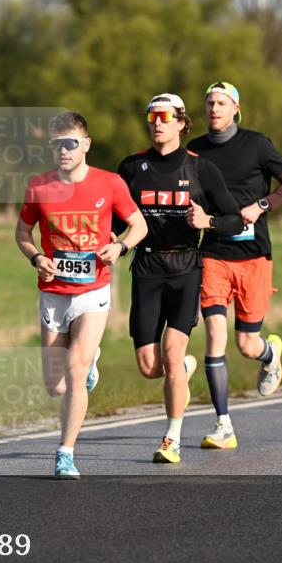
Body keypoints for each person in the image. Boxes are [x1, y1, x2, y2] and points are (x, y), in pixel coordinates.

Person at [16, 111, 147, 479]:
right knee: (54, 385)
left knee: (74, 372)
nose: (63, 150)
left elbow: (139, 224)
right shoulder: (38, 187)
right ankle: (89, 363)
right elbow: (22, 234)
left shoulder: (110, 184)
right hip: (53, 293)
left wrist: (120, 248)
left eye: (70, 143)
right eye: (56, 144)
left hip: (93, 291)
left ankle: (65, 453)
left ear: (86, 144)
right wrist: (37, 257)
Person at [114, 94, 243, 464]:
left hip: (186, 268)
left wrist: (209, 222)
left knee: (171, 352)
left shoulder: (201, 169)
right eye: (151, 116)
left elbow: (235, 218)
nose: (157, 122)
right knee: (149, 367)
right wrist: (108, 239)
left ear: (182, 123)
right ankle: (181, 371)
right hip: (146, 269)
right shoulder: (132, 167)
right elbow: (114, 219)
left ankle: (171, 439)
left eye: (165, 116)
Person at [186, 81, 282, 450]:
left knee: (247, 345)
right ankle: (223, 425)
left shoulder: (257, 144)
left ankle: (270, 355)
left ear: (236, 108)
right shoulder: (195, 151)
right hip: (214, 253)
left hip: (254, 256)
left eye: (222, 102)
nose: (214, 109)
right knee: (215, 337)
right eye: (209, 103)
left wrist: (262, 206)